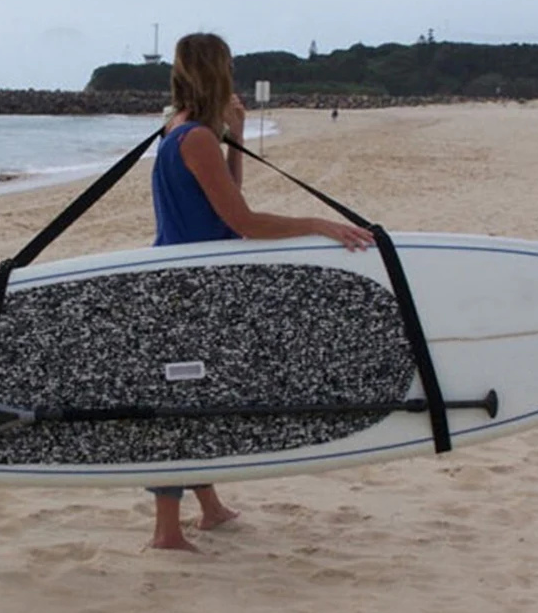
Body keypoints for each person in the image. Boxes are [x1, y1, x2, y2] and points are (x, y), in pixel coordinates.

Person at [147, 32, 375, 551]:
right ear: (217, 71)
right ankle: (165, 531)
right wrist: (319, 223)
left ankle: (208, 509)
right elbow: (244, 221)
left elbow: (227, 200)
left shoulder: (179, 130)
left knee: (197, 391)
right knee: (184, 400)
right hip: (191, 286)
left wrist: (239, 135)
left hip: (186, 277)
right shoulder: (195, 138)